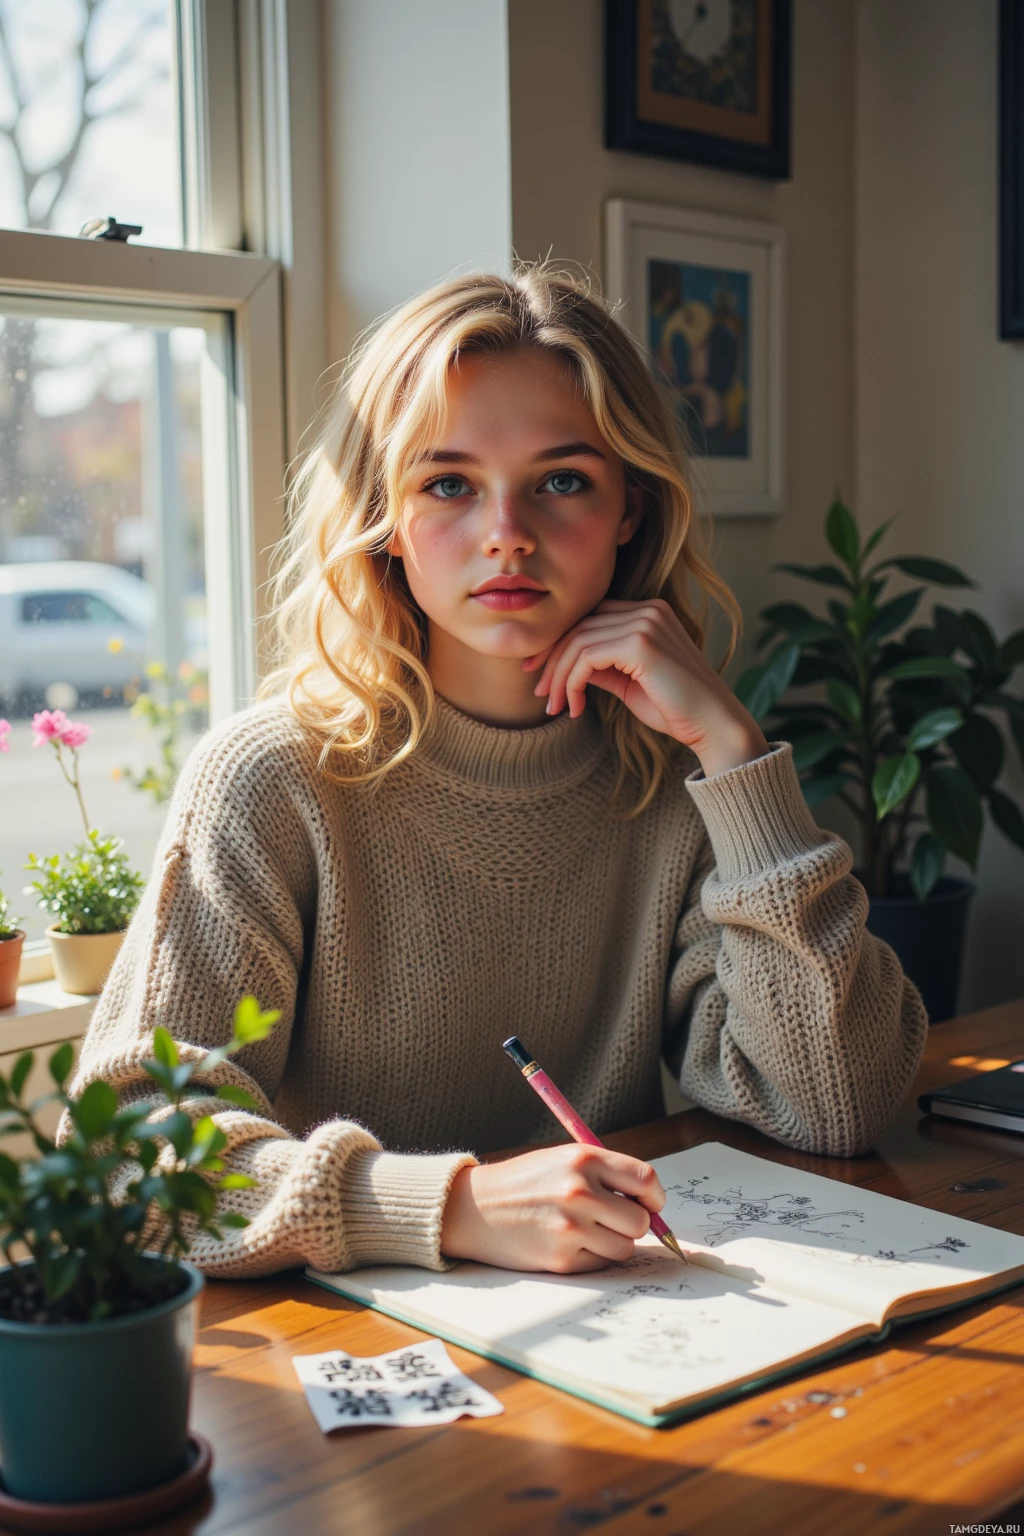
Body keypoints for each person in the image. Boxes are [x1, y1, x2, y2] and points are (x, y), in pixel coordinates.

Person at [70, 266, 928, 1280]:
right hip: (347, 1364)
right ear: (381, 515)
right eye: (448, 484)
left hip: (621, 1334)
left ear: (630, 512)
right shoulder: (270, 782)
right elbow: (128, 1157)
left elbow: (836, 1107)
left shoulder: (678, 785)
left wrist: (738, 762)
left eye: (562, 479)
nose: (507, 533)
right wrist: (452, 1206)